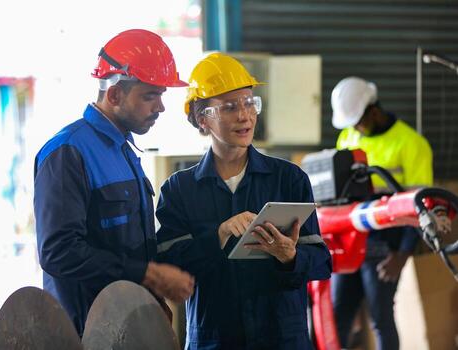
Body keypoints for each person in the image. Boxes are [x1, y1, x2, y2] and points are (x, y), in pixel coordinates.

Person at [155, 52, 332, 350]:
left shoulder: (289, 180)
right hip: (214, 339)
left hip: (282, 339)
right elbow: (168, 265)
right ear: (202, 119)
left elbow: (322, 262)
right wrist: (219, 235)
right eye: (229, 107)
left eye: (250, 103)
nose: (244, 115)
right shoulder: (179, 190)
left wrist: (290, 257)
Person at [33, 29, 195, 336]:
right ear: (115, 94)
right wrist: (148, 275)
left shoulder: (122, 149)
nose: (160, 107)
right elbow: (59, 251)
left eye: (161, 95)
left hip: (125, 327)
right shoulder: (68, 152)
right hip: (85, 333)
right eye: (150, 96)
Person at [330, 76, 433, 349]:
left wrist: (402, 254)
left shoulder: (411, 143)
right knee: (337, 313)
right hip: (350, 238)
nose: (355, 128)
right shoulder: (348, 136)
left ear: (374, 112)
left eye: (358, 121)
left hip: (385, 246)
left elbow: (419, 206)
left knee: (381, 317)